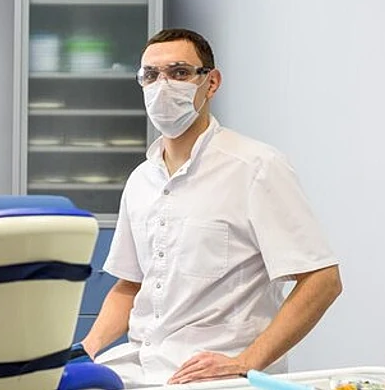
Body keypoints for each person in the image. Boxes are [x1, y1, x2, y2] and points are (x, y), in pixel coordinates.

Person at [78, 28, 343, 388]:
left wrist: (245, 363)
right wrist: (84, 351)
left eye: (180, 73)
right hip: (141, 367)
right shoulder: (141, 180)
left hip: (217, 376)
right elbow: (129, 286)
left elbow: (322, 281)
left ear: (211, 82)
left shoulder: (256, 167)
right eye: (151, 75)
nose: (163, 85)